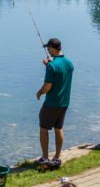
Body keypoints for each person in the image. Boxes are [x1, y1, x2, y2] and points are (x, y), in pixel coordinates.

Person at [36, 38, 75, 168]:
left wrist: (40, 92)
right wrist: (49, 66)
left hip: (52, 103)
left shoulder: (52, 66)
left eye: (48, 48)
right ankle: (57, 157)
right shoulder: (69, 63)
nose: (47, 50)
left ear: (53, 49)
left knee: (43, 128)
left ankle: (45, 157)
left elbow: (48, 85)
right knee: (58, 128)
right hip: (64, 102)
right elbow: (61, 73)